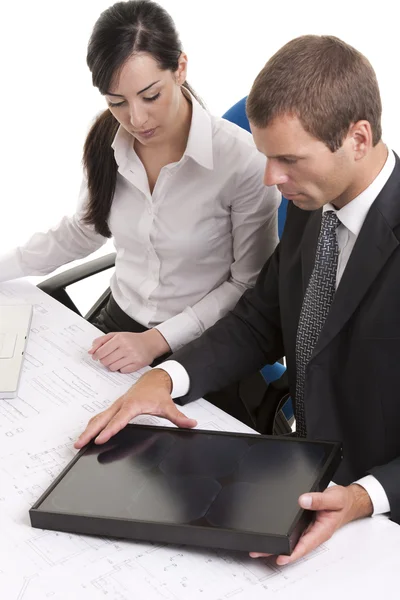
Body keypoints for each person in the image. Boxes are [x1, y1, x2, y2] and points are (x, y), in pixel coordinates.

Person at [76, 34, 400, 563]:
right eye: (267, 157)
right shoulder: (309, 202)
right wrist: (167, 377)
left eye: (289, 159)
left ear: (358, 138)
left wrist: (366, 497)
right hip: (304, 472)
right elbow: (259, 319)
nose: (273, 179)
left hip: (382, 509)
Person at [0, 0, 279, 375]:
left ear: (180, 68)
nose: (136, 118)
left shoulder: (243, 162)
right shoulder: (107, 144)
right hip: (119, 319)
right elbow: (82, 231)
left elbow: (247, 284)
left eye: (150, 96)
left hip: (201, 341)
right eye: (117, 102)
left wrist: (155, 341)